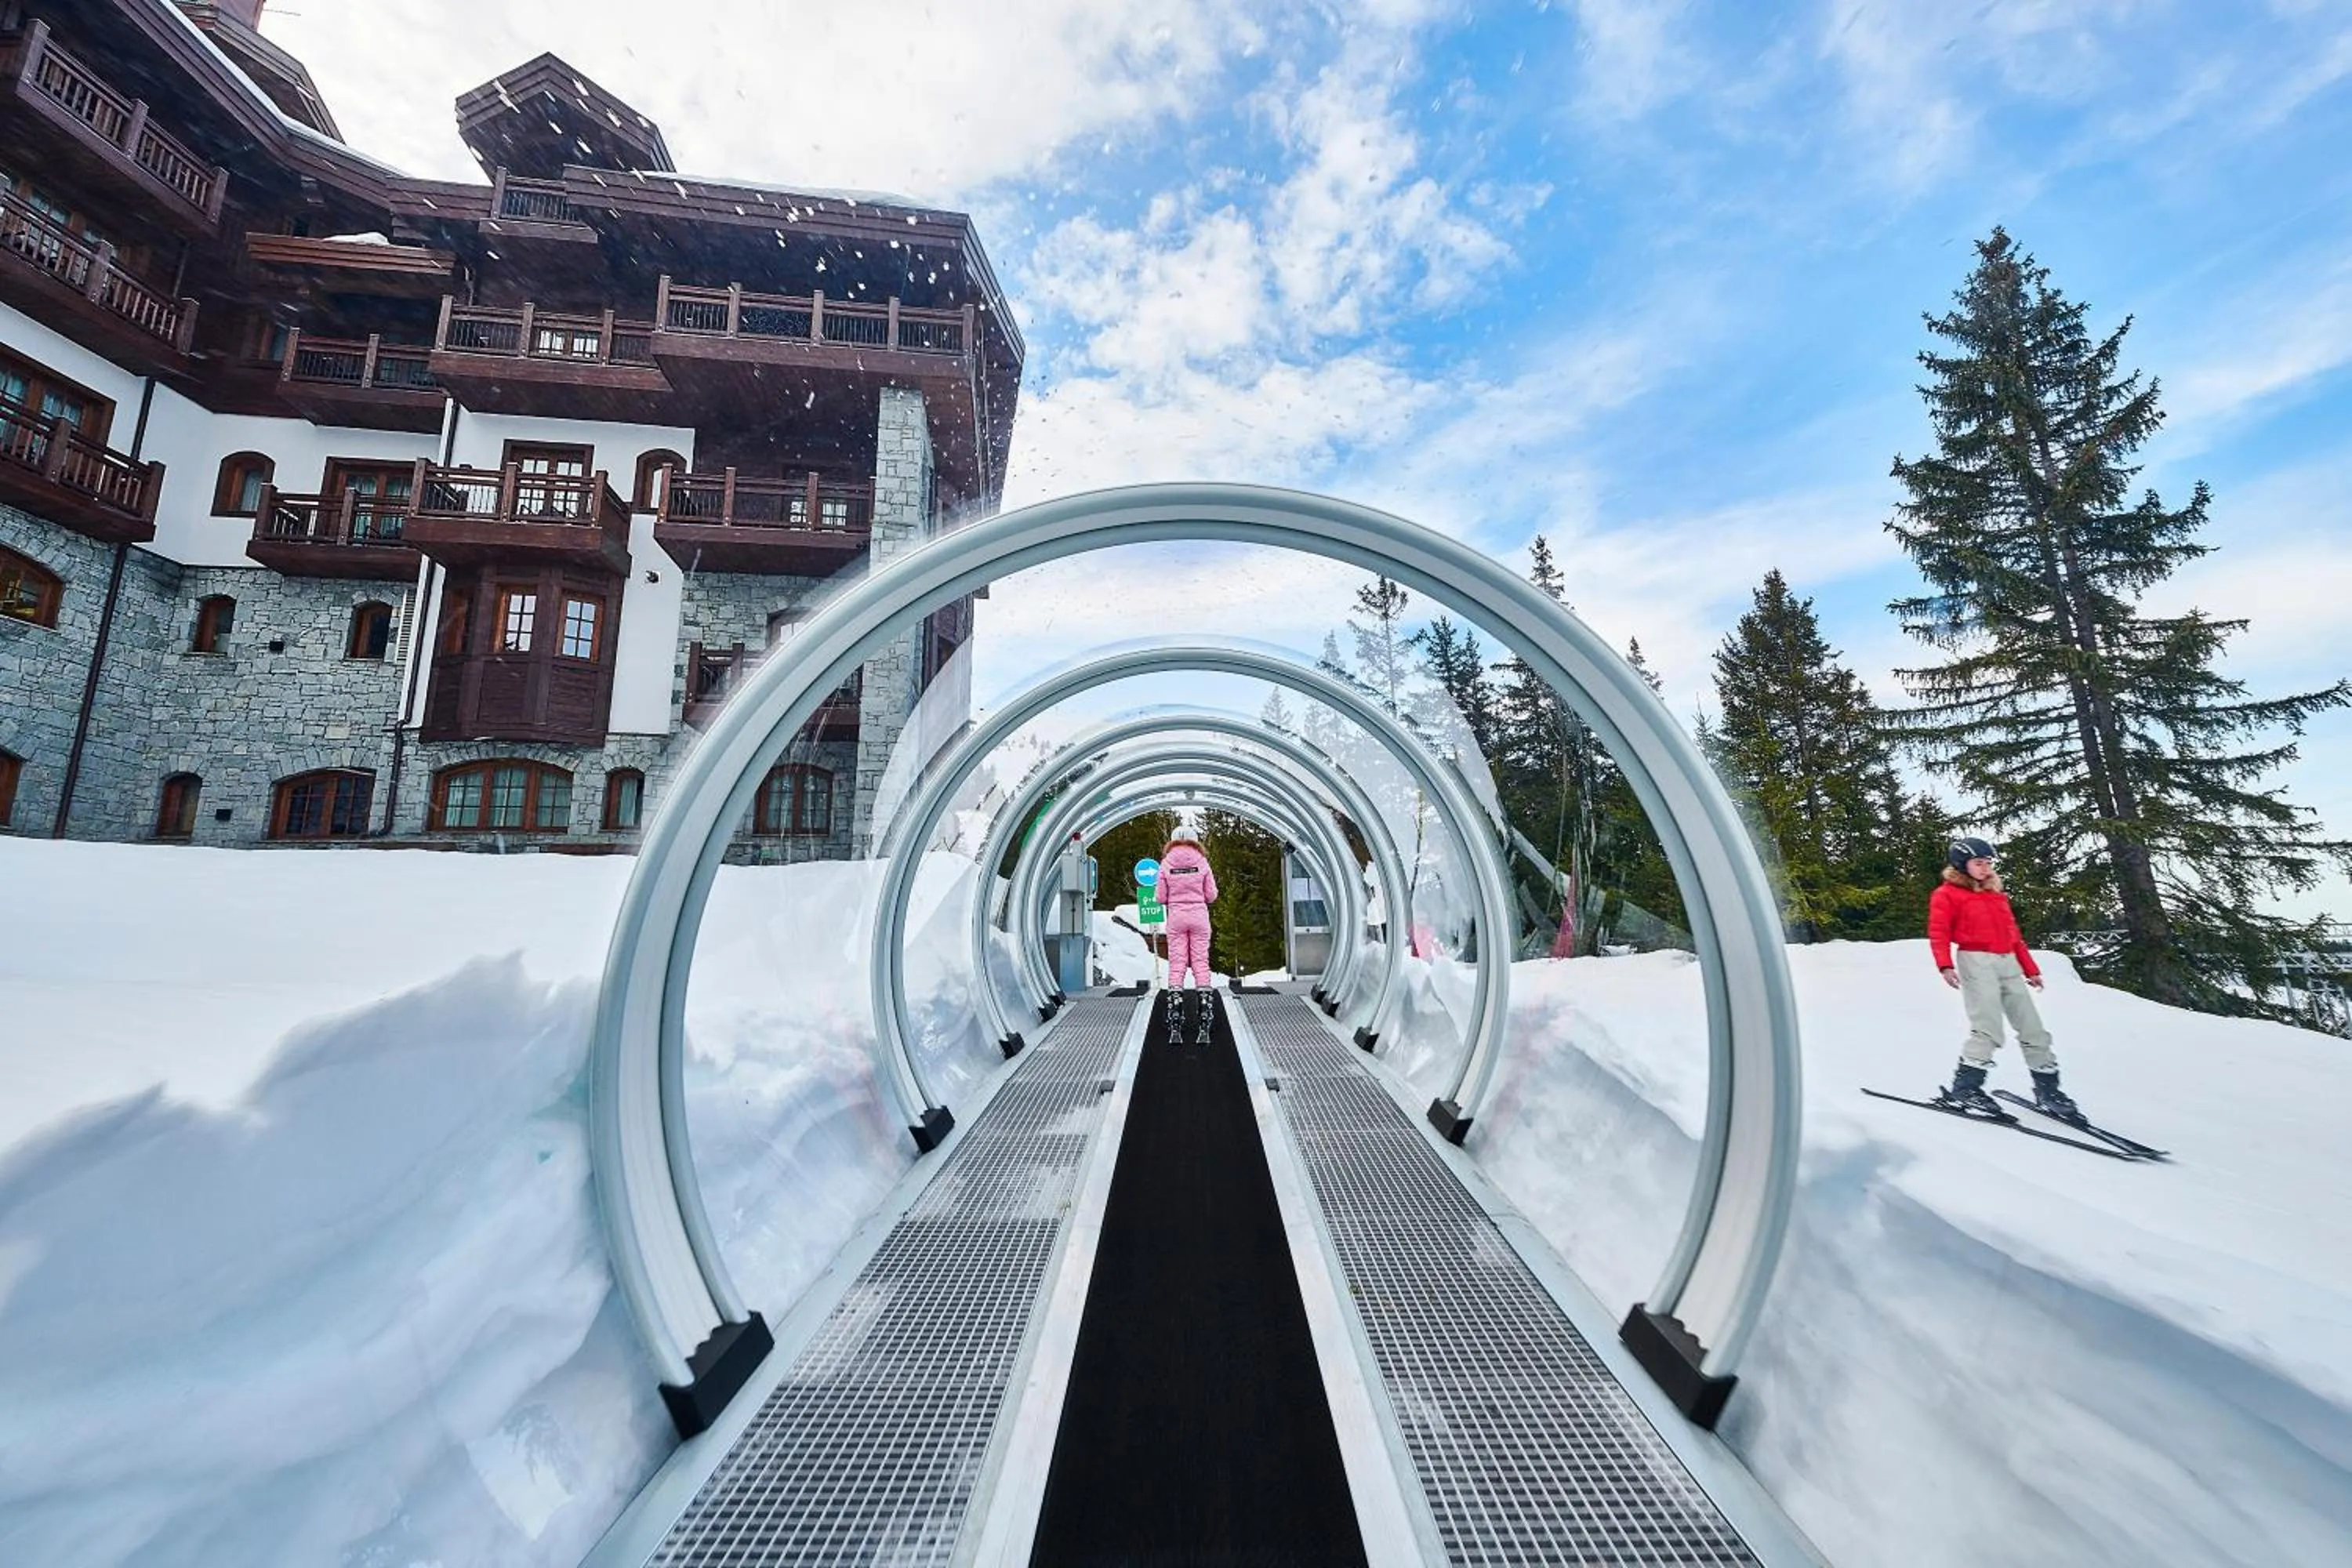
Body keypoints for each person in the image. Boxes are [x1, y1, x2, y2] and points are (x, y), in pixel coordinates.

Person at [1930, 837, 2080, 1122]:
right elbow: (1938, 933)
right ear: (1962, 865)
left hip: (2007, 962)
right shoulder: (1946, 894)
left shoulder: (1995, 894)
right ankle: (1965, 1090)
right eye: (1979, 863)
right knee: (1988, 1028)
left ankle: (2048, 1092)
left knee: (2033, 1029)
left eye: (1988, 863)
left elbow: (2014, 937)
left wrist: (2031, 969)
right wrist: (1945, 966)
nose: (1985, 868)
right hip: (1976, 961)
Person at [1158, 825, 1219, 1045]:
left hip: (1176, 917)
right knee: (1201, 964)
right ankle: (1205, 1018)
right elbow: (1211, 895)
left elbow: (1160, 896)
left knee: (1177, 966)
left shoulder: (1166, 863)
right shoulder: (1202, 862)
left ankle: (1175, 1020)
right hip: (1199, 917)